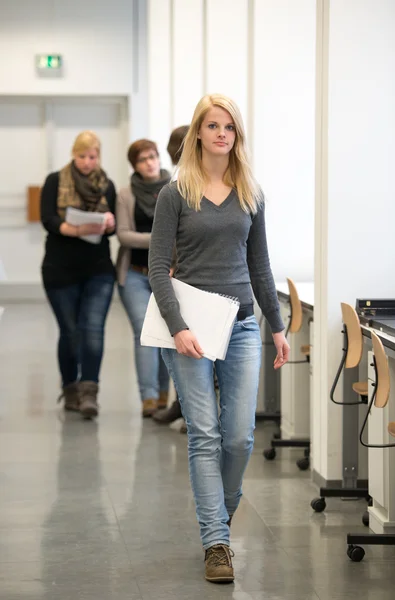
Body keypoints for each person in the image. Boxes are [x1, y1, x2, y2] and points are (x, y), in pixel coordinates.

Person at [149, 94, 290, 583]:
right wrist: (178, 327)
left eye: (229, 126)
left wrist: (277, 325)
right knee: (204, 436)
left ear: (237, 135)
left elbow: (261, 265)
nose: (222, 133)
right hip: (188, 330)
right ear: (198, 133)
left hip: (242, 325)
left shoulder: (251, 192)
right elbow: (157, 269)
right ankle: (216, 542)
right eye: (212, 125)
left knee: (239, 437)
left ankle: (222, 509)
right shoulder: (175, 193)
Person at [40, 130, 116, 419]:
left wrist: (108, 223)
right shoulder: (55, 181)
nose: (87, 162)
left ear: (99, 157)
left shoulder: (106, 185)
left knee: (93, 331)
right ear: (73, 155)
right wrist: (77, 229)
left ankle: (89, 394)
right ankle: (70, 388)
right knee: (70, 333)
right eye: (82, 156)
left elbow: (116, 224)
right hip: (60, 270)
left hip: (98, 269)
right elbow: (48, 219)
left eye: (92, 156)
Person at [116, 140, 171, 418]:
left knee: (165, 335)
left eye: (153, 157)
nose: (150, 163)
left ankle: (164, 394)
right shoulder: (126, 194)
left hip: (168, 276)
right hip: (136, 276)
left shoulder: (174, 188)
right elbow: (123, 235)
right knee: (143, 333)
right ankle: (147, 397)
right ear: (134, 165)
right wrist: (159, 239)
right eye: (142, 160)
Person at [152, 125, 189, 428]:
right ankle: (182, 404)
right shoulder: (174, 186)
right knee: (178, 341)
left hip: (195, 274)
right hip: (177, 274)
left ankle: (185, 406)